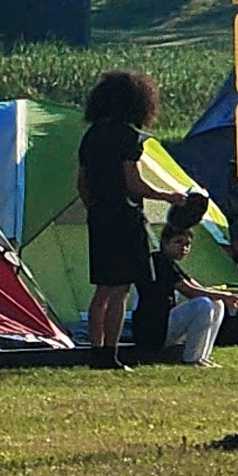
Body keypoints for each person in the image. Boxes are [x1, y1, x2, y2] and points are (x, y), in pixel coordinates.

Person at [77, 69, 159, 367]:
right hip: (124, 215)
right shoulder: (129, 136)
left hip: (99, 215)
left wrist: (95, 209)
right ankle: (110, 353)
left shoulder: (91, 136)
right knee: (120, 289)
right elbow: (133, 182)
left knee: (101, 289)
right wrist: (169, 196)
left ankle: (95, 351)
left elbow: (82, 184)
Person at [130, 193, 238, 364]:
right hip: (152, 331)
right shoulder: (159, 261)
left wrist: (228, 294)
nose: (184, 248)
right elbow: (190, 291)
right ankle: (192, 358)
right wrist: (226, 296)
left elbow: (195, 285)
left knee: (216, 303)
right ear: (165, 242)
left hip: (164, 327)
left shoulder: (172, 264)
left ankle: (203, 356)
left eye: (187, 244)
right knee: (203, 304)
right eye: (178, 242)